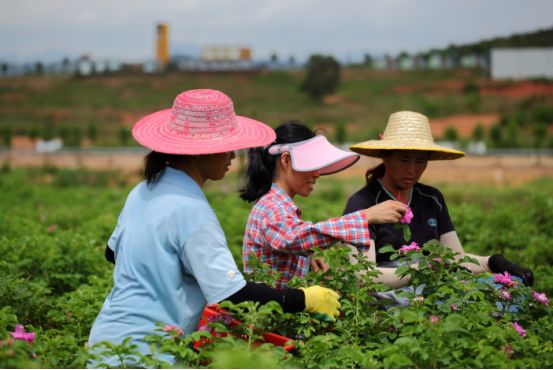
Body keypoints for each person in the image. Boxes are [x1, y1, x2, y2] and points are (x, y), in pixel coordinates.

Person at [88, 90, 341, 367]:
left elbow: (112, 253)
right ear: (201, 150)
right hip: (146, 352)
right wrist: (303, 298)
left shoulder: (143, 190)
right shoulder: (191, 210)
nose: (232, 155)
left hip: (106, 341)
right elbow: (232, 293)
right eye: (226, 145)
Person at [343, 110, 534, 286]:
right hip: (388, 298)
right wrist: (420, 272)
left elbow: (455, 258)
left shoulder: (431, 199)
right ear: (385, 157)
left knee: (510, 294)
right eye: (404, 160)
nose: (412, 170)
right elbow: (363, 276)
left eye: (420, 161)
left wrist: (492, 262)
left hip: (430, 289)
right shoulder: (363, 205)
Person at [240, 120, 409, 290]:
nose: (318, 173)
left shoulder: (276, 203)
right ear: (286, 161)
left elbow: (289, 241)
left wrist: (306, 255)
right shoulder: (273, 206)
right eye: (311, 163)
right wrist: (366, 216)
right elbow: (293, 237)